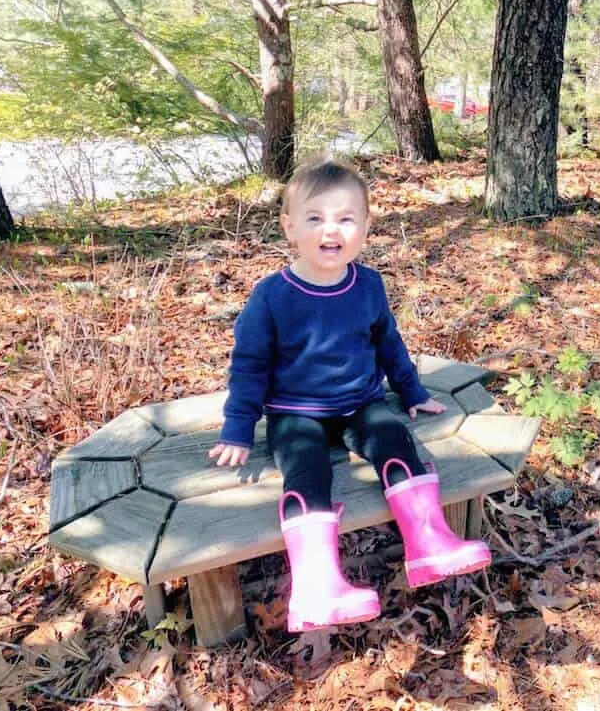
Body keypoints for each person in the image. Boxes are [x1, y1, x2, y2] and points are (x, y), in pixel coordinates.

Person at [209, 161, 491, 633]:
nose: (330, 230)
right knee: (306, 468)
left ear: (365, 226)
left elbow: (388, 344)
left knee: (394, 439)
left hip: (360, 404)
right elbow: (249, 367)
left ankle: (430, 544)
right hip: (295, 413)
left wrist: (411, 390)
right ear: (290, 227)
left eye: (345, 218)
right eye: (315, 218)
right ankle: (317, 586)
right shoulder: (271, 297)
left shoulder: (369, 286)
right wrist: (238, 428)